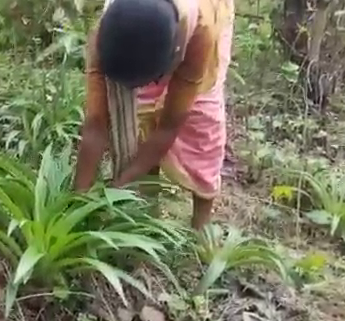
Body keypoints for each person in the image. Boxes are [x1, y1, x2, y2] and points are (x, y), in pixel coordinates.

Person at [73, 0, 234, 230]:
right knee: (144, 112)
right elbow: (96, 123)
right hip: (151, 43)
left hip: (199, 28)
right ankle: (148, 209)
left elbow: (170, 125)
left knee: (202, 126)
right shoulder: (104, 36)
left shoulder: (202, 31)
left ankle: (202, 230)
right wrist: (79, 200)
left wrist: (120, 185)